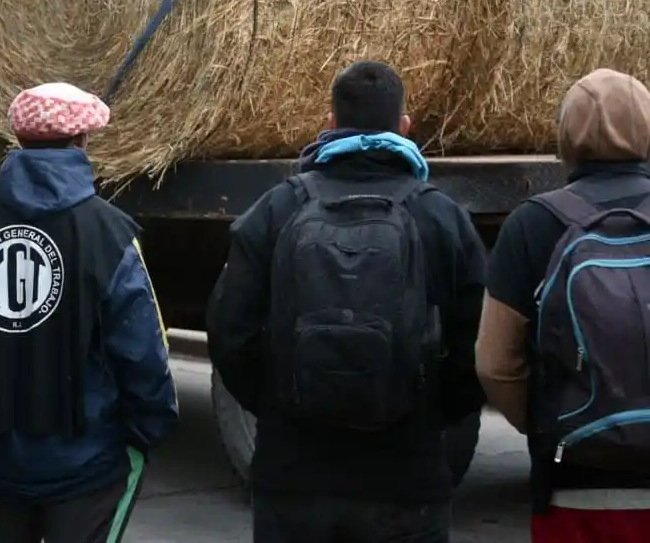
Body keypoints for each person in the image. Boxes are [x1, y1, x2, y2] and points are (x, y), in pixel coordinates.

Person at [207, 60, 487, 543]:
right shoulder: (442, 217)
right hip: (407, 478)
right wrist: (427, 413)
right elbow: (478, 346)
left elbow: (230, 335)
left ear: (331, 123)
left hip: (294, 478)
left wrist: (279, 404)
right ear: (404, 127)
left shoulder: (277, 209)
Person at [0, 82, 179, 543]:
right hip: (86, 467)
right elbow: (143, 353)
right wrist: (147, 431)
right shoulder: (108, 233)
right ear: (82, 141)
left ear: (18, 140)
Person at [477, 68, 650, 542]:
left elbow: (495, 364)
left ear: (565, 136)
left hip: (573, 488)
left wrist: (545, 425)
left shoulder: (532, 225)